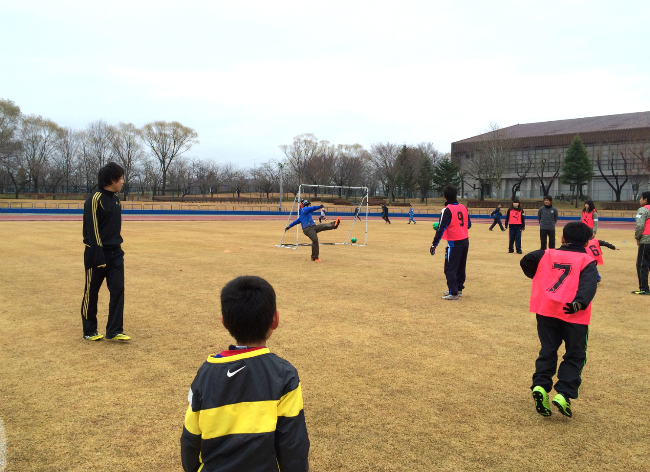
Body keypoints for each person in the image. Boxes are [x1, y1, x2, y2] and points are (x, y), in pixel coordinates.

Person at [181, 276, 310, 472]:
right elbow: (293, 448)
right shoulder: (284, 375)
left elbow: (190, 439)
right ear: (275, 320)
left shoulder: (205, 375)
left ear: (224, 322)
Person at [520, 222, 598, 418]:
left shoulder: (546, 254)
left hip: (547, 310)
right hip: (574, 315)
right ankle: (564, 393)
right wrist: (579, 303)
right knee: (575, 354)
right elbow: (589, 285)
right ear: (587, 242)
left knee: (548, 350)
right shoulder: (587, 260)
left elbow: (526, 260)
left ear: (563, 238)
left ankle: (540, 385)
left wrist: (539, 276)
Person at [80, 162, 130, 342]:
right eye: (121, 178)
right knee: (91, 292)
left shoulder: (116, 200)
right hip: (96, 255)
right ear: (112, 179)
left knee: (118, 290)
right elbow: (92, 232)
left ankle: (114, 330)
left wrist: (118, 251)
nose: (123, 181)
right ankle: (89, 330)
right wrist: (99, 257)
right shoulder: (95, 199)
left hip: (115, 254)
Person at [430, 185, 471, 301]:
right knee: (461, 267)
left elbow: (441, 228)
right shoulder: (463, 207)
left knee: (449, 268)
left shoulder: (447, 210)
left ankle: (453, 293)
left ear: (444, 196)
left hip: (454, 242)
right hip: (465, 240)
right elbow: (468, 224)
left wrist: (434, 244)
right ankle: (458, 288)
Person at [633, 191, 650, 295]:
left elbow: (640, 225)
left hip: (646, 240)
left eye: (641, 198)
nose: (640, 200)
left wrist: (637, 237)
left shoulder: (643, 210)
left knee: (642, 265)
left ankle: (644, 288)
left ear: (646, 200)